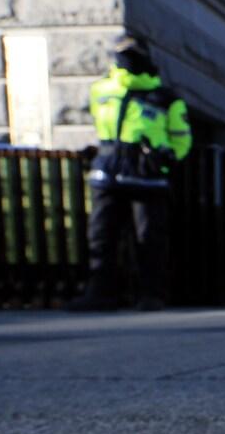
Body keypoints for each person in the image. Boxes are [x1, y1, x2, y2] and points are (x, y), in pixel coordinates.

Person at [69, 34, 192, 311]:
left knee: (149, 237)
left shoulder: (165, 98)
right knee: (101, 235)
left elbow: (182, 138)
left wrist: (167, 158)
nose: (127, 59)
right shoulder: (101, 90)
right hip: (110, 168)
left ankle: (151, 294)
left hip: (148, 174)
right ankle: (101, 293)